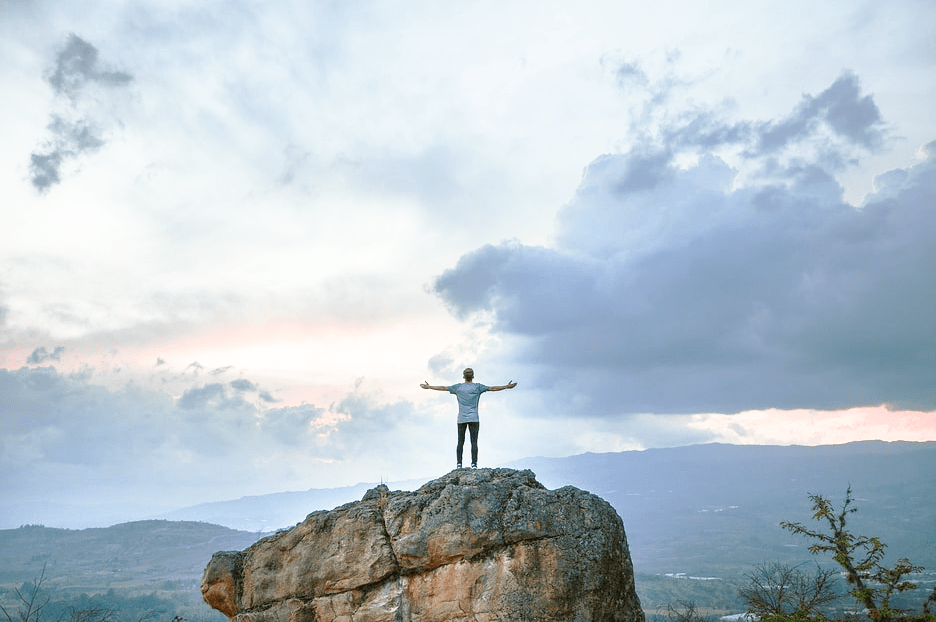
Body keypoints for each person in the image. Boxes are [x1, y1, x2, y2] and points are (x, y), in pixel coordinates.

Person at [421, 368, 517, 469]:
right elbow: (493, 388)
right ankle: (474, 464)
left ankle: (459, 464)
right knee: (474, 442)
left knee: (460, 442)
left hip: (461, 419)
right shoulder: (478, 387)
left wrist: (429, 387)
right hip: (474, 419)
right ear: (473, 376)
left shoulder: (458, 387)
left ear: (463, 376)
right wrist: (506, 386)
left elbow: (443, 388)